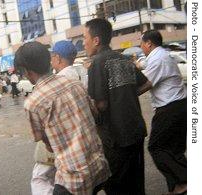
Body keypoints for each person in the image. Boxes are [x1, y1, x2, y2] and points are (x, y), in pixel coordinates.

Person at [14, 41, 110, 195]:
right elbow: (94, 115)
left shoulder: (33, 103)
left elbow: (48, 145)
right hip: (100, 167)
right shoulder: (75, 83)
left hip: (74, 180)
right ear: (49, 60)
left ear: (27, 71)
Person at [83, 18, 151, 195]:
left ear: (96, 40)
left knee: (116, 186)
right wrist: (124, 95)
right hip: (135, 130)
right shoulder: (123, 59)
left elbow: (101, 105)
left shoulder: (97, 63)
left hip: (116, 137)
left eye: (85, 38)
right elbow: (146, 84)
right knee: (136, 183)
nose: (84, 43)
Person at [140, 30, 187, 195]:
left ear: (149, 44)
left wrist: (126, 94)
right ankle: (177, 187)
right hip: (178, 106)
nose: (141, 47)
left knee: (156, 147)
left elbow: (145, 85)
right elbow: (145, 67)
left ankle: (185, 181)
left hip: (170, 108)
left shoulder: (158, 59)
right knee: (174, 150)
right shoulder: (161, 55)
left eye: (141, 44)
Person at [31, 40, 80, 195]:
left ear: (58, 58)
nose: (51, 59)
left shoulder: (60, 79)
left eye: (52, 56)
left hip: (60, 138)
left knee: (40, 177)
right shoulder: (79, 74)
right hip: (77, 139)